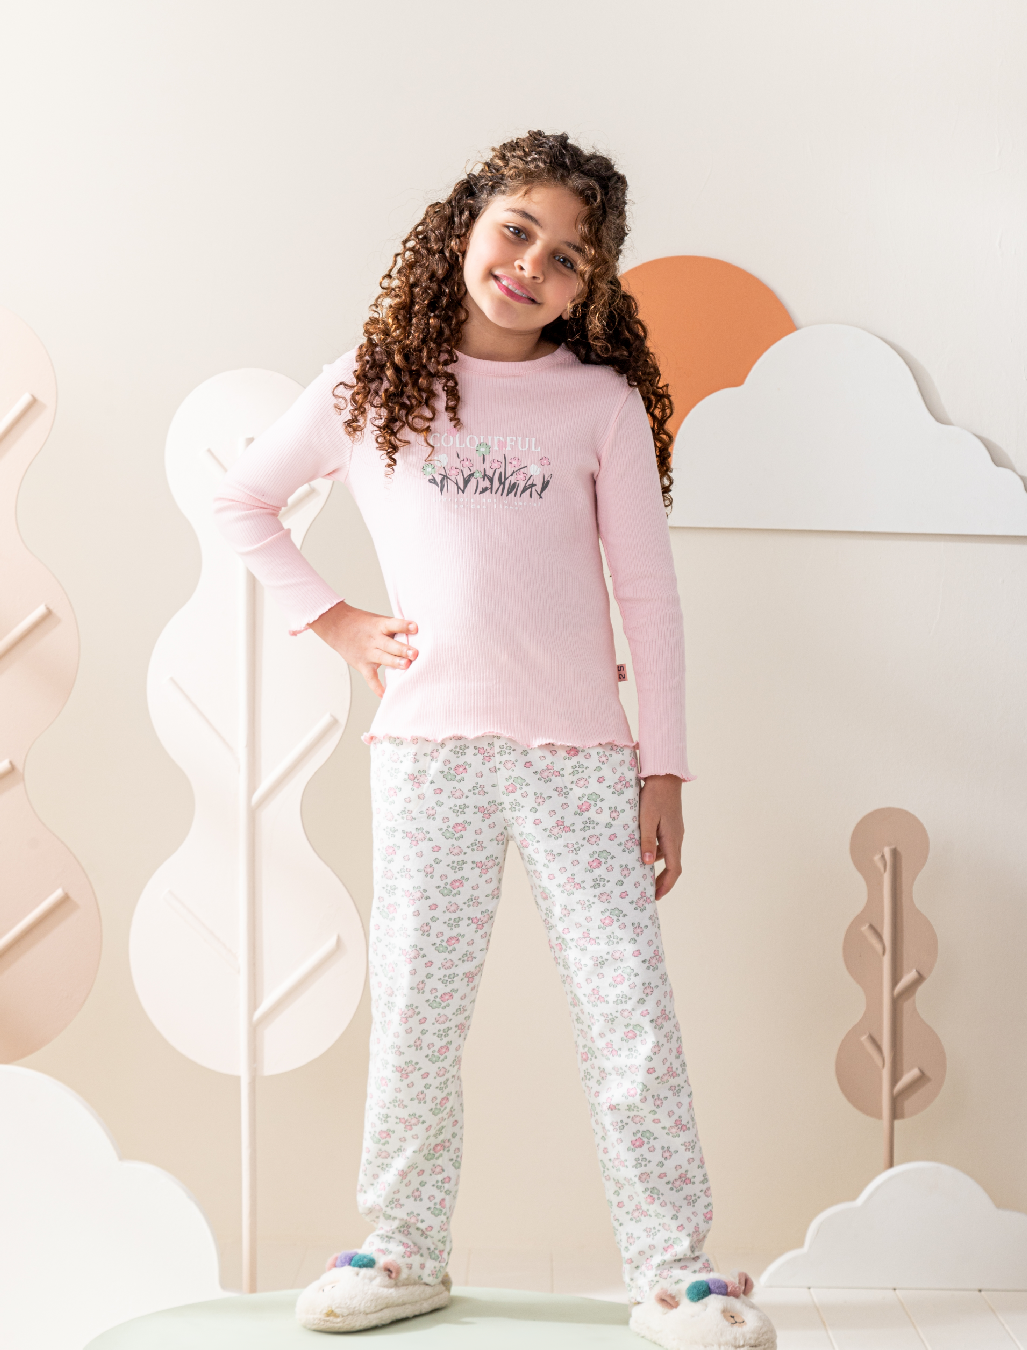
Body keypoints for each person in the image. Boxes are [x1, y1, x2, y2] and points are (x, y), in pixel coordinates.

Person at [214, 130, 774, 1349]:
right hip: (430, 755)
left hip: (583, 759)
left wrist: (664, 766)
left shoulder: (600, 405)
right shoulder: (371, 384)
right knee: (418, 1009)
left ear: (590, 286)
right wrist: (337, 621)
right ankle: (402, 1246)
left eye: (568, 257)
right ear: (465, 223)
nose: (531, 265)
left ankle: (672, 1270)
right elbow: (242, 500)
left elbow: (649, 597)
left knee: (629, 1016)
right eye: (517, 230)